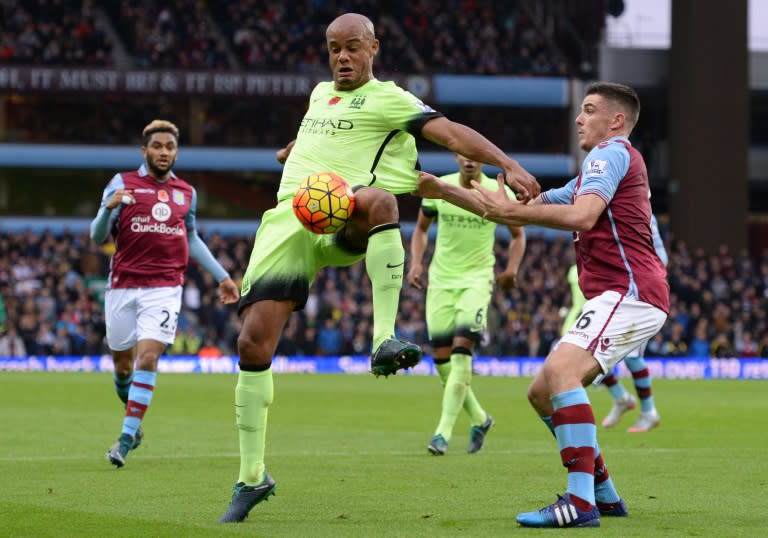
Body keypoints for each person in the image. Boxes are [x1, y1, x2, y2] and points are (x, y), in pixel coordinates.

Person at [219, 12, 539, 523]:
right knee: (252, 344)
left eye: (351, 48)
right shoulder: (319, 94)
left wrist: (510, 165)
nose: (341, 58)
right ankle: (252, 477)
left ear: (373, 48)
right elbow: (316, 137)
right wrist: (292, 149)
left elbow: (451, 133)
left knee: (382, 202)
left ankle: (382, 338)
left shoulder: (391, 98)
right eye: (333, 49)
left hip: (346, 214)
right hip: (289, 222)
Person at [417, 82, 669, 528]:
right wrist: (439, 189)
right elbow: (509, 207)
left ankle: (580, 502)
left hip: (630, 292)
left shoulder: (610, 153)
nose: (578, 118)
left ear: (615, 121)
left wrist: (513, 213)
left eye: (589, 110)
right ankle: (604, 494)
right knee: (540, 393)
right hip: (624, 295)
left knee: (560, 374)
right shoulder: (596, 170)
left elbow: (580, 216)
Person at [90, 119, 239, 469]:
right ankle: (133, 417)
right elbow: (98, 237)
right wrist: (108, 207)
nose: (163, 152)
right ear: (145, 151)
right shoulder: (122, 183)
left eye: (169, 147)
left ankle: (126, 438)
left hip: (165, 288)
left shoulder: (186, 192)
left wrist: (222, 277)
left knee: (148, 358)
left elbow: (193, 239)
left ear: (176, 152)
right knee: (122, 365)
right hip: (122, 287)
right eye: (157, 146)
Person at [407, 153, 526, 456]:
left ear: (481, 161)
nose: (470, 161)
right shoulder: (441, 187)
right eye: (465, 155)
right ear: (457, 157)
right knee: (443, 363)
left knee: (462, 355)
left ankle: (441, 435)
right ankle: (480, 418)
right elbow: (420, 229)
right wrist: (417, 263)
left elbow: (518, 234)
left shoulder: (497, 192)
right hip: (441, 282)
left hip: (477, 280)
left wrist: (512, 268)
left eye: (476, 157)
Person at [598, 208, 668, 432]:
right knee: (594, 351)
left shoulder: (642, 213)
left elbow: (661, 258)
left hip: (640, 297)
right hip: (613, 293)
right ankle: (621, 398)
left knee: (631, 357)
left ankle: (648, 412)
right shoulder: (608, 208)